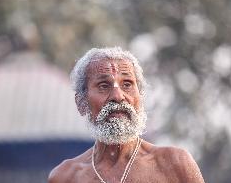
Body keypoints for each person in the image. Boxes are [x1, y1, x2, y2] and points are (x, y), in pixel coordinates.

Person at [48, 47, 205, 183]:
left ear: (140, 98)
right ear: (82, 103)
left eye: (127, 85)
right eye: (104, 86)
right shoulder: (65, 177)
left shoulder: (174, 164)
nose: (118, 96)